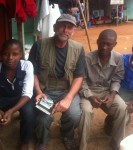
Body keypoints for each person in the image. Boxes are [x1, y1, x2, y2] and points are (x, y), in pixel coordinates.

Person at [28, 14, 85, 150]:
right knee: (43, 118)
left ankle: (66, 134)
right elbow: (33, 72)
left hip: (66, 90)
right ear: (54, 28)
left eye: (70, 27)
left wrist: (68, 98)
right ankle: (42, 140)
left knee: (74, 114)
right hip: (45, 90)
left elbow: (79, 76)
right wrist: (39, 92)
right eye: (62, 26)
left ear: (73, 31)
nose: (65, 30)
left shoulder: (78, 48)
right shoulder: (39, 45)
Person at [78, 29, 128, 150]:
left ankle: (117, 142)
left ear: (114, 44)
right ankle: (82, 146)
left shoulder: (118, 58)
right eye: (102, 43)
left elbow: (117, 79)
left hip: (107, 91)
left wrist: (112, 95)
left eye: (108, 44)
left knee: (122, 107)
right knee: (86, 111)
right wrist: (90, 96)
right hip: (89, 91)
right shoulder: (87, 58)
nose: (104, 47)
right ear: (97, 42)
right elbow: (81, 81)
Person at [0, 39, 35, 150]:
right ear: (1, 55)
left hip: (21, 98)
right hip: (3, 98)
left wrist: (11, 111)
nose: (10, 58)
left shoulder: (27, 66)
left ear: (20, 54)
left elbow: (27, 93)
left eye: (15, 54)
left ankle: (24, 141)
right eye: (6, 54)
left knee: (29, 113)